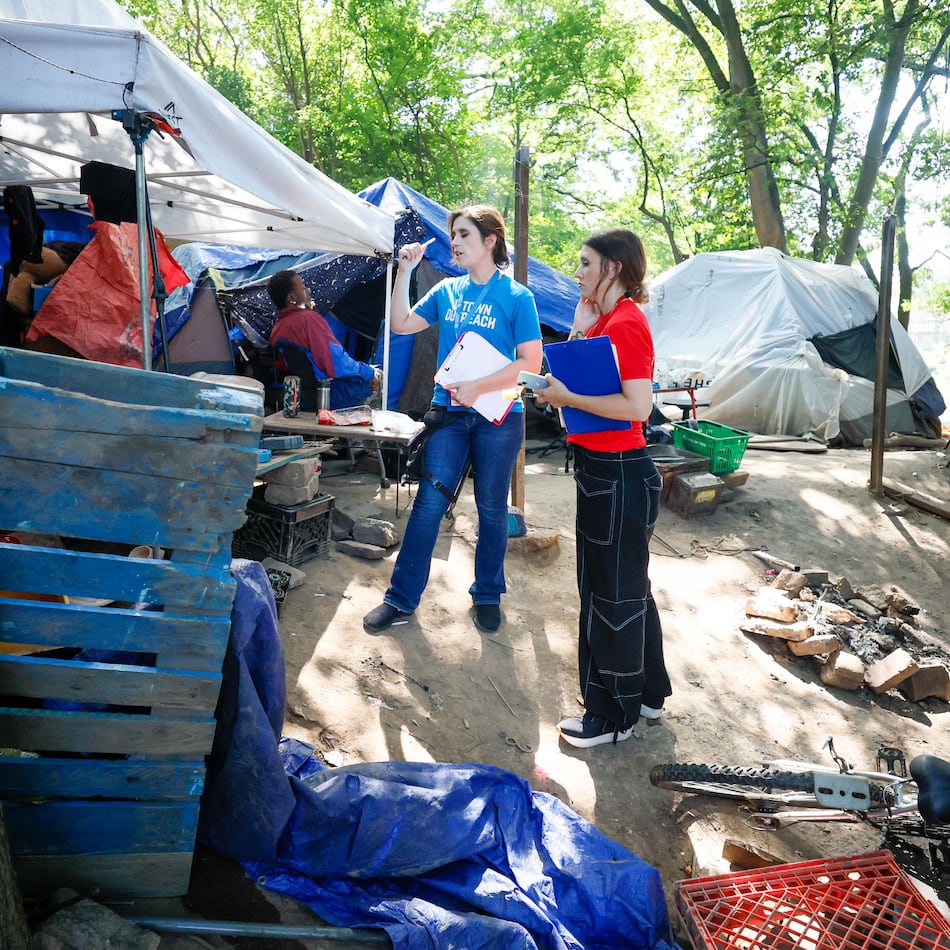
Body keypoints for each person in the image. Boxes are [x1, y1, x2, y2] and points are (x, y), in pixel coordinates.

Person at [363, 206, 543, 634]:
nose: (455, 242)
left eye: (463, 234)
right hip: (450, 415)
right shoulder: (447, 291)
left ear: (490, 241)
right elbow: (401, 324)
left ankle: (486, 594)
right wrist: (404, 271)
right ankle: (400, 599)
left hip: (499, 418)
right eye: (453, 235)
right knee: (429, 503)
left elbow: (530, 361)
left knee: (492, 510)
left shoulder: (518, 297)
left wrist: (480, 386)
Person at [538, 228, 671, 748]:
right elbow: (576, 377)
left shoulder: (629, 324)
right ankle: (648, 693)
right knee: (627, 586)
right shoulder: (606, 321)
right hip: (603, 471)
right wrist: (577, 329)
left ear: (613, 268)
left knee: (608, 594)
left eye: (586, 264)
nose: (578, 273)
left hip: (618, 474)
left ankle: (612, 716)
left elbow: (637, 408)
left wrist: (567, 398)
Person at [267, 269, 381, 409]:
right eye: (303, 287)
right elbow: (335, 363)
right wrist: (368, 372)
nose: (308, 290)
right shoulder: (308, 319)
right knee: (374, 377)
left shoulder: (278, 327)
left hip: (304, 395)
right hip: (329, 395)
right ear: (292, 298)